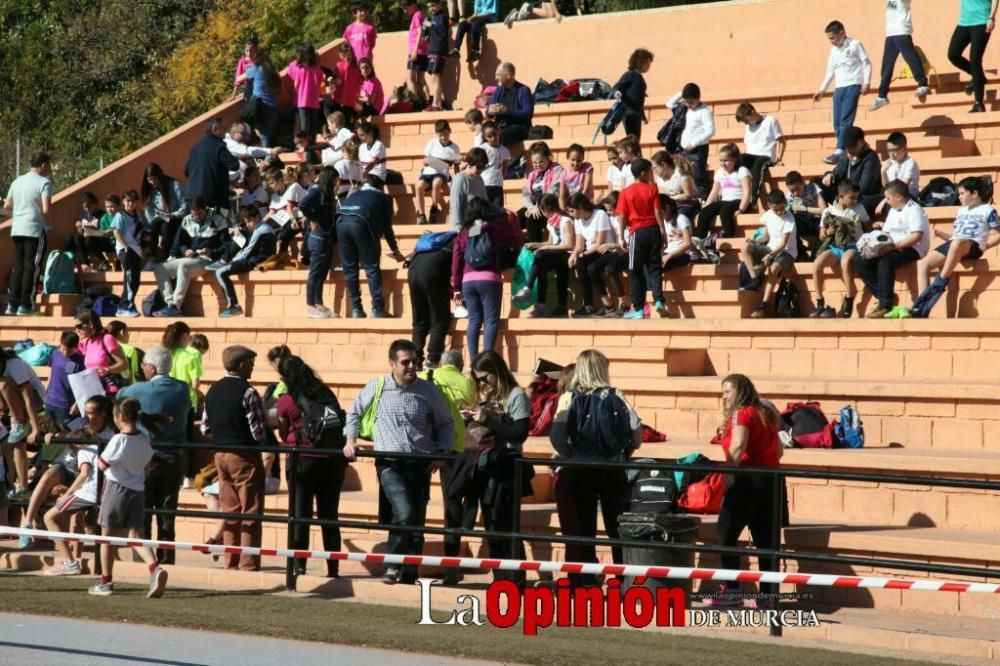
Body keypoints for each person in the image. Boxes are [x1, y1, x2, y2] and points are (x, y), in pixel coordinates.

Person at [343, 339, 454, 584]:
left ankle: (409, 572)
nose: (412, 366)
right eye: (405, 362)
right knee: (404, 513)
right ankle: (393, 565)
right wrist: (351, 440)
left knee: (415, 520)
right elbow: (353, 412)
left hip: (420, 462)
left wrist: (441, 451)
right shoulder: (378, 386)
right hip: (390, 462)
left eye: (415, 361)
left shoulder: (428, 390)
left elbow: (446, 423)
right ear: (392, 363)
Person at [549, 349, 641, 587]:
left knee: (584, 527)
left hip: (580, 470)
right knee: (616, 526)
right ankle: (623, 579)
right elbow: (636, 434)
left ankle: (585, 578)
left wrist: (574, 456)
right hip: (612, 469)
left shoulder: (568, 397)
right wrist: (623, 453)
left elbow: (558, 439)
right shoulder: (616, 395)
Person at [710, 374, 782, 608]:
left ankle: (732, 591)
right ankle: (768, 595)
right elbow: (779, 451)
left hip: (748, 480)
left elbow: (738, 445)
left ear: (739, 392)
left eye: (727, 392)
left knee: (725, 533)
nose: (723, 397)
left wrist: (729, 474)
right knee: (765, 541)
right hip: (771, 481)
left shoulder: (741, 414)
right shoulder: (765, 411)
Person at [463, 350, 532, 585]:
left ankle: (515, 580)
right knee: (492, 525)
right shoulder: (491, 395)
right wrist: (470, 418)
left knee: (508, 526)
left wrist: (488, 419)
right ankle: (501, 579)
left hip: (508, 466)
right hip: (487, 465)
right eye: (478, 379)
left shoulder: (516, 395)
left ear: (497, 372)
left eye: (484, 378)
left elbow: (519, 433)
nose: (482, 383)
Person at [276, 355, 349, 578]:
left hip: (302, 462)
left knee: (300, 516)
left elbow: (282, 430)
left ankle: (298, 567)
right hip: (331, 461)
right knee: (329, 517)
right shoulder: (325, 393)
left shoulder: (287, 400)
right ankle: (333, 567)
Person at [119, 346, 191, 565]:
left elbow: (121, 396)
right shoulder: (182, 388)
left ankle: (144, 561)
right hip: (173, 457)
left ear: (150, 367)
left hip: (146, 458)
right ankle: (167, 559)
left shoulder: (137, 389)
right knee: (167, 513)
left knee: (143, 512)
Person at [89, 397, 168, 598]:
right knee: (136, 536)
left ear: (120, 417)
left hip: (116, 489)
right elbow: (148, 461)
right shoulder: (143, 439)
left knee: (106, 537)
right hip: (137, 490)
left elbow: (102, 464)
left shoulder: (118, 440)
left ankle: (105, 581)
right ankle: (154, 568)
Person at [202, 346, 267, 571]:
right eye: (250, 363)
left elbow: (205, 428)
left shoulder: (212, 390)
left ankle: (231, 561)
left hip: (220, 454)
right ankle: (248, 563)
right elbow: (258, 431)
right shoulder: (248, 392)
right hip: (244, 455)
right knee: (251, 510)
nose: (252, 367)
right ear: (240, 365)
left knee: (230, 510)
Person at [417, 349, 474, 581]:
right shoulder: (468, 383)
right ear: (461, 366)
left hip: (430, 446)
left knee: (428, 501)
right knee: (456, 503)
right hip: (460, 447)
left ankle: (416, 558)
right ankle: (453, 560)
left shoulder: (427, 377)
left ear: (441, 363)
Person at [913, 176, 1000, 317]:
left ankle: (940, 281)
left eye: (962, 193)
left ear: (975, 194)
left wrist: (988, 244)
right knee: (923, 263)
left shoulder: (987, 210)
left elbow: (998, 234)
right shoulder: (961, 211)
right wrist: (942, 234)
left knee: (957, 243)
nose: (959, 197)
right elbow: (955, 237)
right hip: (956, 244)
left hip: (973, 245)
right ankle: (922, 303)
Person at [453, 198, 520, 355]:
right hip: (490, 279)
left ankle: (474, 360)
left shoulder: (463, 232)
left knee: (474, 321)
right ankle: (487, 361)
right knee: (490, 321)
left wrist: (456, 287)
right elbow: (516, 240)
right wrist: (511, 219)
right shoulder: (492, 228)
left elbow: (456, 261)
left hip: (468, 281)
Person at [855, 179, 930, 318]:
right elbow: (888, 233)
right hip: (892, 246)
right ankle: (884, 297)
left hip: (912, 248)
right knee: (860, 259)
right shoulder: (893, 210)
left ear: (898, 197)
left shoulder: (914, 209)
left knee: (886, 262)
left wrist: (894, 246)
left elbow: (916, 237)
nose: (886, 201)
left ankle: (884, 305)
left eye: (888, 198)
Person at [337, 177, 405, 318]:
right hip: (360, 224)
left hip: (340, 223)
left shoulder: (354, 194)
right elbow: (387, 227)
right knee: (371, 267)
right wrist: (395, 250)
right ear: (381, 188)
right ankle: (377, 307)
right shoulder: (384, 198)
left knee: (350, 269)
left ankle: (356, 308)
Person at [151, 197, 229, 318]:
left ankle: (176, 305)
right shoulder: (187, 220)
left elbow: (227, 245)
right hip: (190, 258)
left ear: (205, 209)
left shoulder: (218, 219)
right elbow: (180, 242)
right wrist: (185, 250)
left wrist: (212, 252)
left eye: (200, 213)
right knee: (159, 268)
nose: (197, 216)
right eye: (194, 214)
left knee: (183, 266)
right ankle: (170, 303)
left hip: (207, 260)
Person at [813, 20, 873, 165]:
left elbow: (866, 63)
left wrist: (866, 82)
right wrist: (822, 89)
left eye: (833, 38)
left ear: (842, 33)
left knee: (846, 119)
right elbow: (830, 71)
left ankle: (839, 150)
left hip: (852, 85)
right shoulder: (833, 51)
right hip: (839, 88)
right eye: (829, 39)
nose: (831, 42)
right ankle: (845, 148)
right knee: (837, 123)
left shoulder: (855, 44)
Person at [3, 152, 53, 316]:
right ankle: (26, 304)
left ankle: (12, 305)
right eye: (49, 165)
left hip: (17, 228)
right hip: (35, 229)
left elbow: (8, 204)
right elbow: (46, 209)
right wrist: (49, 224)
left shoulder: (18, 181)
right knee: (32, 266)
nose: (50, 168)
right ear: (44, 165)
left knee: (19, 265)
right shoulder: (44, 182)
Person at [810, 179, 868, 319]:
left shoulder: (859, 208)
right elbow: (822, 236)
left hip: (854, 245)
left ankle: (849, 297)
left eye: (856, 197)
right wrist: (828, 232)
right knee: (817, 265)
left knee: (845, 260)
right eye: (851, 197)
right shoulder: (829, 211)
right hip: (836, 246)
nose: (855, 200)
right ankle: (819, 302)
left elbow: (868, 224)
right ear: (841, 196)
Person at [617, 159, 667, 319]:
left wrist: (620, 236)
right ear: (643, 173)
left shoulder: (625, 192)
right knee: (655, 267)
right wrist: (662, 231)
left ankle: (638, 307)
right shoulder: (652, 189)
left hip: (637, 232)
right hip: (653, 230)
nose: (652, 174)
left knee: (635, 270)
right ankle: (659, 300)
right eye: (651, 171)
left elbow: (622, 216)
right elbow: (658, 211)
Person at [740, 190, 798, 319]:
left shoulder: (789, 219)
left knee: (773, 268)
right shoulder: (768, 215)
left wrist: (771, 256)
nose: (779, 212)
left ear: (785, 202)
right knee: (746, 248)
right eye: (776, 209)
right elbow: (766, 235)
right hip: (771, 247)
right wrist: (755, 241)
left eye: (782, 208)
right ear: (769, 205)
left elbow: (783, 244)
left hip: (787, 252)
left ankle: (764, 304)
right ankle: (755, 278)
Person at [518, 194, 575, 318]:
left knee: (541, 255)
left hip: (566, 254)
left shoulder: (565, 221)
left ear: (549, 209)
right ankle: (541, 304)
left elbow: (569, 244)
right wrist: (536, 244)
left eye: (544, 211)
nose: (543, 215)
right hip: (555, 252)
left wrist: (547, 248)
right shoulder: (550, 222)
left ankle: (528, 287)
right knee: (540, 265)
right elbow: (550, 241)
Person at [214, 207, 278, 318]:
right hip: (255, 258)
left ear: (257, 218)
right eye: (246, 222)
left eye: (249, 221)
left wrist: (232, 262)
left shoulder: (261, 230)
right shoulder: (262, 228)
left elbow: (248, 251)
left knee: (220, 272)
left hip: (255, 260)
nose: (248, 224)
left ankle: (233, 305)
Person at [0, 351, 47, 500]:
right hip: (12, 406)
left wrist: (35, 428)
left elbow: (28, 399)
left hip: (36, 400)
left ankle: (19, 422)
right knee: (16, 443)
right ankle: (23, 487)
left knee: (2, 383)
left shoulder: (15, 365)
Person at [870, 0, 931, 112]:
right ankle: (882, 96)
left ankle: (923, 84)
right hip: (890, 33)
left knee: (911, 58)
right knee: (887, 65)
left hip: (902, 30)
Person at [408, 233, 454, 369]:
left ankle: (415, 360)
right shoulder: (461, 241)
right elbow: (458, 269)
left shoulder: (434, 243)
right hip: (433, 270)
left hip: (414, 269)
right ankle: (433, 359)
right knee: (440, 319)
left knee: (420, 320)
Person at [299, 169, 338, 318]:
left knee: (322, 274)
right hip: (318, 238)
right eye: (335, 179)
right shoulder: (317, 192)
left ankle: (318, 303)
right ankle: (310, 305)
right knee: (315, 273)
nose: (337, 183)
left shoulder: (327, 195)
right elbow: (303, 204)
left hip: (325, 238)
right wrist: (313, 219)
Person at [949, 0, 999, 113]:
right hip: (964, 22)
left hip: (982, 21)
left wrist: (991, 18)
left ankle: (979, 103)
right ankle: (979, 78)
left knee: (975, 60)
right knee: (953, 54)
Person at [565, 194, 612, 317]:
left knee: (586, 264)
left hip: (605, 250)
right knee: (579, 262)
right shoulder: (578, 221)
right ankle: (588, 306)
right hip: (592, 251)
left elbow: (600, 243)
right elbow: (580, 245)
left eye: (572, 211)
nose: (571, 214)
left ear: (580, 207)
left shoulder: (600, 215)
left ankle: (603, 304)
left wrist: (582, 255)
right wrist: (574, 253)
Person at [821, 126, 883, 218]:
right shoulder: (846, 155)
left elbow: (865, 187)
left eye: (852, 147)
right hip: (843, 194)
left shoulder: (871, 158)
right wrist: (830, 176)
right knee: (818, 184)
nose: (850, 150)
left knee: (861, 203)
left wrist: (846, 196)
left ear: (861, 142)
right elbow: (838, 172)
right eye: (847, 147)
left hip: (860, 196)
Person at [667, 83, 715, 197]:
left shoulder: (704, 111)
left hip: (698, 150)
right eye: (686, 102)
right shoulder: (686, 108)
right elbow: (669, 104)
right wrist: (682, 94)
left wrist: (694, 143)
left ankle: (702, 198)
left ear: (698, 98)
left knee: (698, 175)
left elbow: (711, 131)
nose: (688, 104)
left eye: (691, 102)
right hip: (683, 150)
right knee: (683, 174)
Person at [185, 117, 241, 213]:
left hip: (192, 198)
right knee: (218, 226)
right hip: (212, 199)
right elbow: (234, 165)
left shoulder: (195, 148)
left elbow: (186, 171)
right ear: (215, 130)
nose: (225, 131)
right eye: (223, 129)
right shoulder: (218, 146)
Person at [735, 103, 785, 207]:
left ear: (753, 113)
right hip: (751, 155)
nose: (746, 124)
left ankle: (753, 199)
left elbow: (781, 141)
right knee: (735, 159)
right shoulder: (748, 127)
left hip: (766, 155)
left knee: (758, 165)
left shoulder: (771, 121)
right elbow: (748, 145)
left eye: (746, 120)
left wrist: (779, 159)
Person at [140, 163, 189, 262]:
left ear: (160, 176)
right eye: (150, 179)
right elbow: (149, 212)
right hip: (160, 220)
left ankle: (171, 255)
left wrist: (173, 215)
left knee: (165, 227)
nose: (153, 182)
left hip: (177, 218)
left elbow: (185, 207)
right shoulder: (151, 190)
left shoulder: (174, 185)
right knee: (153, 226)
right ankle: (152, 256)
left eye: (155, 179)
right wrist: (154, 220)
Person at [417, 119, 462, 225]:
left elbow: (455, 165)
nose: (443, 137)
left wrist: (457, 178)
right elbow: (425, 161)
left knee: (436, 183)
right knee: (419, 186)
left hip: (442, 174)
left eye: (445, 134)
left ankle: (434, 208)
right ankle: (422, 214)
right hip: (428, 172)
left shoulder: (454, 148)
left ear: (449, 131)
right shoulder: (432, 143)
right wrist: (443, 164)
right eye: (440, 135)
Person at [74, 309, 130, 394]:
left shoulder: (107, 338)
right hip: (95, 389)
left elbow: (124, 364)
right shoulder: (88, 341)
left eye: (79, 326)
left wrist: (108, 369)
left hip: (110, 391)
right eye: (75, 327)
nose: (77, 330)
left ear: (91, 324)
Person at [519, 142, 565, 242]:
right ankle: (514, 248)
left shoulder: (557, 170)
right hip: (535, 207)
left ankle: (535, 250)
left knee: (532, 218)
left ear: (548, 157)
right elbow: (526, 195)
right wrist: (531, 207)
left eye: (541, 162)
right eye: (534, 163)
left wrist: (537, 207)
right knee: (518, 217)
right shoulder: (532, 175)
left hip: (550, 207)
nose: (537, 165)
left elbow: (552, 192)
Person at [236, 51, 282, 147]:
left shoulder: (256, 69)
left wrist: (247, 70)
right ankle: (270, 155)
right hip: (273, 105)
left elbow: (239, 79)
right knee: (267, 133)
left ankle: (268, 157)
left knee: (263, 135)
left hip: (260, 105)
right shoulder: (273, 71)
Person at [110, 190, 144, 318]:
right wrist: (124, 246)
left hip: (136, 250)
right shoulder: (120, 215)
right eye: (128, 201)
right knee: (129, 278)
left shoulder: (138, 216)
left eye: (133, 201)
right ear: (123, 201)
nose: (130, 203)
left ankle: (128, 304)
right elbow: (116, 232)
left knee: (135, 279)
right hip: (125, 251)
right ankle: (125, 306)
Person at [487, 63, 534, 147]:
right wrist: (490, 111)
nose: (495, 78)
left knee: (500, 136)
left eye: (498, 75)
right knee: (484, 135)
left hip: (518, 128)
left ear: (508, 75)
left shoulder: (523, 90)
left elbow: (527, 113)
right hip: (500, 126)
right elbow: (488, 113)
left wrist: (506, 110)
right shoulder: (499, 91)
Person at [611, 48, 653, 140]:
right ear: (641, 62)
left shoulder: (638, 76)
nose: (649, 66)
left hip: (635, 113)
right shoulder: (631, 74)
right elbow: (617, 87)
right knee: (633, 139)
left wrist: (642, 116)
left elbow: (638, 99)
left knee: (635, 139)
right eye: (648, 63)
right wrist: (616, 93)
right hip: (629, 112)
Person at [44, 331, 84, 426]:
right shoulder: (55, 353)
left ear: (75, 347)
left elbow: (82, 385)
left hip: (66, 405)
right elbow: (52, 373)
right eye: (63, 349)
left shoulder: (80, 360)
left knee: (63, 436)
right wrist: (46, 391)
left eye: (69, 350)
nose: (65, 353)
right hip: (50, 401)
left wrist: (77, 404)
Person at [65, 192, 113, 272]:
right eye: (85, 207)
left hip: (99, 238)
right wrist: (79, 226)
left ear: (95, 204)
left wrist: (90, 228)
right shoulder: (83, 215)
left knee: (89, 240)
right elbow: (80, 231)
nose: (87, 209)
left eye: (89, 206)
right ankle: (83, 263)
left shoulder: (101, 214)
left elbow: (103, 230)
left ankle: (103, 261)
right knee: (72, 238)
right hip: (86, 237)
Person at [877, 132, 921, 215]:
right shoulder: (889, 163)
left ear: (904, 149)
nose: (891, 154)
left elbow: (902, 188)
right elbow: (886, 187)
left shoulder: (910, 163)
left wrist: (885, 200)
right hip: (891, 195)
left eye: (894, 150)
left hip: (909, 196)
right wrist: (883, 172)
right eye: (889, 150)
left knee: (893, 201)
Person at [287, 43, 324, 142]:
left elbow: (296, 85)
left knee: (304, 125)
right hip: (314, 102)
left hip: (302, 101)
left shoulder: (300, 69)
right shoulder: (316, 68)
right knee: (314, 125)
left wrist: (301, 92)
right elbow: (321, 81)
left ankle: (304, 145)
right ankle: (312, 144)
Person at [448, 148, 488, 231]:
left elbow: (485, 203)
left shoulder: (479, 179)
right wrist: (458, 228)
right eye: (479, 167)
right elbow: (456, 206)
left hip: (477, 227)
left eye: (483, 167)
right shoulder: (460, 180)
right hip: (465, 230)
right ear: (470, 164)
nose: (481, 170)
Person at [423, 0, 450, 111]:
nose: (431, 8)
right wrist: (427, 33)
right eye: (429, 7)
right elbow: (434, 31)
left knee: (436, 75)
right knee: (434, 76)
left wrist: (430, 25)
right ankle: (437, 103)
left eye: (433, 5)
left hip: (439, 50)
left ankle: (436, 104)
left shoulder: (443, 16)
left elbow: (443, 32)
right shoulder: (433, 18)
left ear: (439, 4)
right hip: (433, 49)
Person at [402, 0, 431, 104]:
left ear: (413, 5)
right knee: (421, 79)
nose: (405, 11)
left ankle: (416, 102)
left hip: (416, 51)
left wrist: (414, 50)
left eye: (406, 8)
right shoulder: (422, 15)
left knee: (410, 78)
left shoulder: (417, 15)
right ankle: (427, 100)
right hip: (423, 51)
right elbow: (427, 29)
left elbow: (420, 32)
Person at [480, 121, 510, 207]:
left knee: (498, 210)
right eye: (489, 136)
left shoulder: (505, 151)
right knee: (485, 210)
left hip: (497, 185)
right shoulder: (483, 148)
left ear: (499, 132)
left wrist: (500, 177)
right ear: (485, 137)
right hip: (484, 184)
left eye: (495, 134)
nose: (493, 138)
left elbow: (505, 168)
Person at [558, 144, 594, 211]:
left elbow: (585, 189)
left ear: (583, 159)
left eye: (579, 160)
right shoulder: (564, 174)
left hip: (586, 205)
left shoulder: (587, 167)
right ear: (567, 158)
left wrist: (579, 204)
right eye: (573, 160)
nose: (575, 163)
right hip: (572, 207)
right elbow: (562, 195)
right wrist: (564, 210)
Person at [357, 122, 389, 189]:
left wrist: (361, 175)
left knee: (362, 182)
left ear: (370, 133)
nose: (360, 138)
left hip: (377, 175)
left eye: (362, 135)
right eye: (358, 135)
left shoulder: (378, 145)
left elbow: (372, 163)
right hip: (365, 174)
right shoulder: (361, 147)